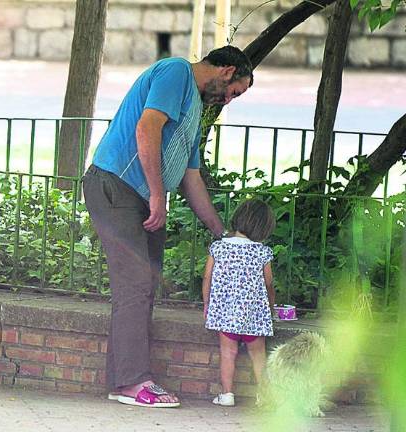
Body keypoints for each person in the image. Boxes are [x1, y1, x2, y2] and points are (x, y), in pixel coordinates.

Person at [82, 45, 254, 408]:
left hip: (142, 196)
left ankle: (122, 380)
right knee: (135, 284)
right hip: (117, 186)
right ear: (227, 72)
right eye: (234, 92)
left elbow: (191, 178)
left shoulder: (194, 108)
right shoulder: (176, 72)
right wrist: (158, 196)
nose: (228, 100)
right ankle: (132, 382)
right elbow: (147, 129)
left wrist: (221, 234)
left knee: (145, 286)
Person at [202, 198, 276, 407]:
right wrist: (270, 308)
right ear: (263, 227)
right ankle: (265, 397)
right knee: (258, 355)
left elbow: (207, 277)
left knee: (228, 353)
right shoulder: (262, 252)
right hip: (254, 315)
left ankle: (226, 395)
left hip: (226, 315)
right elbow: (268, 284)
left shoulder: (219, 248)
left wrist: (207, 303)